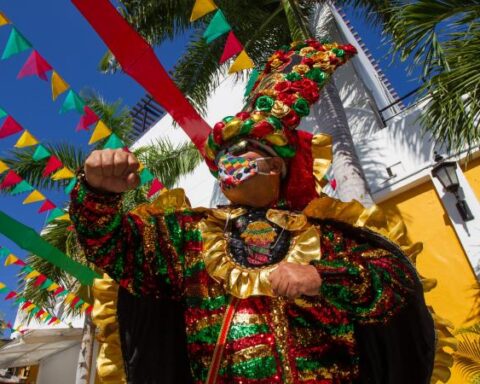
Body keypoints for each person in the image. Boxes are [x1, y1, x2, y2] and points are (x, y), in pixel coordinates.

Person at [70, 39, 435, 383]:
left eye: (241, 148)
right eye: (222, 155)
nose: (228, 160)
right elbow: (115, 249)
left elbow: (397, 286)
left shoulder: (325, 235)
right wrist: (98, 193)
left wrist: (324, 276)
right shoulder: (188, 234)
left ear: (276, 165)